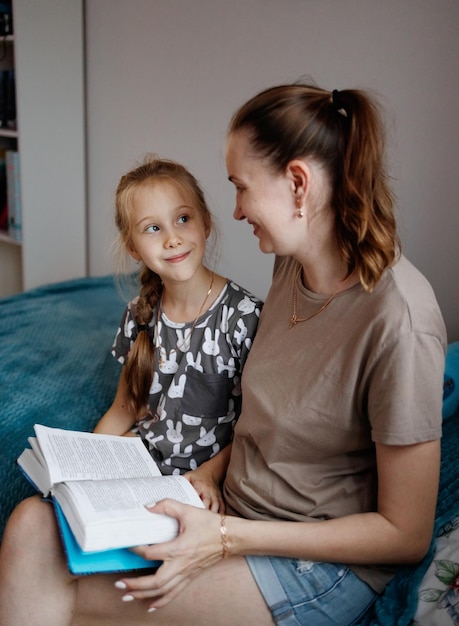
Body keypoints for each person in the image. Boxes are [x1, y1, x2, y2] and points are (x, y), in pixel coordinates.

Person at [0, 82, 447, 626]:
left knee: (53, 587)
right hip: (226, 508)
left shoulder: (400, 320)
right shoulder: (293, 265)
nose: (234, 212)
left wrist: (226, 538)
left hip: (307, 558)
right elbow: (253, 418)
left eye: (241, 187)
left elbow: (406, 536)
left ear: (298, 185)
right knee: (29, 526)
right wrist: (210, 478)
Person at [93, 156, 262, 512]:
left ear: (205, 224)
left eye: (183, 219)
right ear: (133, 247)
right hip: (141, 469)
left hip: (202, 484)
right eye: (152, 228)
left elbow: (255, 429)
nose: (172, 238)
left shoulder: (244, 318)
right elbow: (124, 409)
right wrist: (85, 464)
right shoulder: (139, 313)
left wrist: (210, 476)